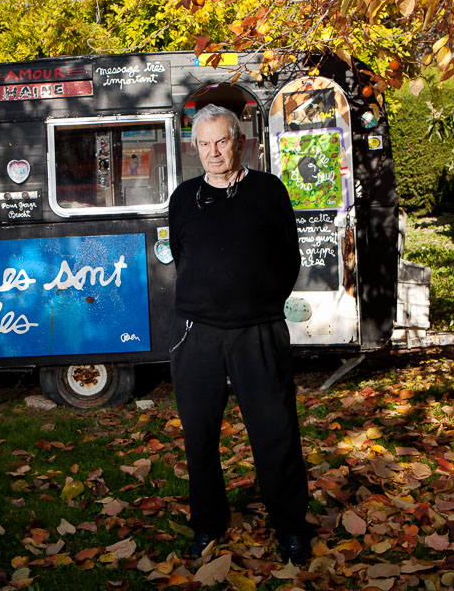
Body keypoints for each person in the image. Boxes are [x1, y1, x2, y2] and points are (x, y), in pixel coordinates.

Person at [168, 104, 312, 565]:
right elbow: (181, 252)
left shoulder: (269, 191)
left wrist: (261, 304)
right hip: (198, 336)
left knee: (276, 433)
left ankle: (290, 527)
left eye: (222, 141)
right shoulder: (183, 199)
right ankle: (208, 524)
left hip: (258, 333)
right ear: (195, 148)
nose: (213, 152)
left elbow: (289, 258)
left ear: (240, 142)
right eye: (204, 144)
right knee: (199, 437)